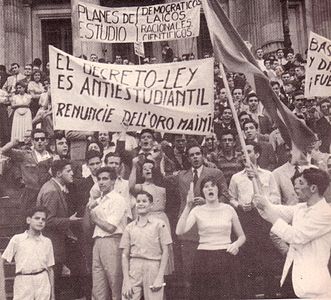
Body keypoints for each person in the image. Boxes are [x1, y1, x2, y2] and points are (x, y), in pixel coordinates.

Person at [254, 168, 331, 298]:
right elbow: (271, 209)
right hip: (293, 278)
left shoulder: (325, 213)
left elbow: (296, 236)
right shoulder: (300, 207)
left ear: (313, 188)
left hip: (313, 286)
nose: (296, 187)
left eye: (301, 183)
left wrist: (267, 207)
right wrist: (257, 181)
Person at [176, 176, 245, 299]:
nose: (210, 189)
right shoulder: (197, 210)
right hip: (204, 259)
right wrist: (188, 206)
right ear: (203, 191)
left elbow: (242, 237)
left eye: (213, 185)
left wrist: (235, 244)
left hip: (226, 257)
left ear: (218, 189)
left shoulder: (229, 209)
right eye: (206, 187)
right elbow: (179, 231)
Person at [229, 141, 281, 298]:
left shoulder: (268, 175)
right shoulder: (236, 177)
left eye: (249, 151)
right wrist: (239, 205)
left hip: (264, 219)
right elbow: (231, 197)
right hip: (246, 219)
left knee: (267, 261)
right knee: (247, 261)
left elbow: (276, 198)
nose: (245, 155)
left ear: (257, 154)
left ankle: (270, 295)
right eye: (243, 152)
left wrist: (258, 182)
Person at [36, 159, 82, 298]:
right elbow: (47, 220)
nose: (72, 173)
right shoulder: (52, 191)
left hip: (55, 244)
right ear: (58, 173)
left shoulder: (53, 187)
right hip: (53, 245)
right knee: (52, 283)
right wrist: (69, 220)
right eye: (68, 171)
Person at [120, 191, 172, 300]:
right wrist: (126, 280)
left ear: (151, 205)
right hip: (134, 268)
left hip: (153, 266)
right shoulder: (129, 227)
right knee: (128, 297)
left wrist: (159, 276)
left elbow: (165, 252)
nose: (140, 204)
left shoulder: (159, 224)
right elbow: (124, 255)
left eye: (144, 201)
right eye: (138, 201)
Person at [129, 158, 174, 274]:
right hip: (148, 219)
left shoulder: (163, 186)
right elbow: (130, 187)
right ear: (142, 173)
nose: (148, 170)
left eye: (150, 168)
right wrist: (134, 166)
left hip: (162, 219)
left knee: (163, 248)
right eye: (145, 169)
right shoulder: (140, 187)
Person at [89, 166, 128, 300]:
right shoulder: (98, 200)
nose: (101, 182)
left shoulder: (118, 199)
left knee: (115, 283)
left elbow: (111, 227)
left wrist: (95, 218)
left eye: (105, 179)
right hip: (98, 242)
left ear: (113, 181)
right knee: (98, 285)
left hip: (113, 241)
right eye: (99, 179)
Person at [1, 206, 55, 300]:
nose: (40, 221)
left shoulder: (47, 242)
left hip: (42, 280)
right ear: (28, 220)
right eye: (37, 218)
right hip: (23, 280)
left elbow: (50, 269)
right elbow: (3, 260)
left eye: (43, 219)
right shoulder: (17, 239)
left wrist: (52, 294)